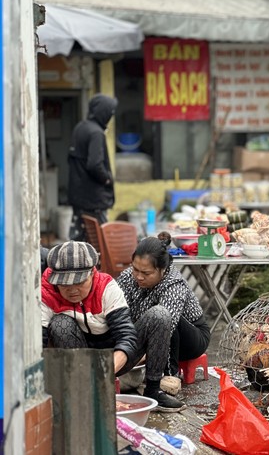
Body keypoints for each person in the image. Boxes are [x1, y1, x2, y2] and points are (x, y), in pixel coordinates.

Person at [116, 233, 210, 400]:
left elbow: (164, 330)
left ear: (162, 269)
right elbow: (115, 310)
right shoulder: (127, 277)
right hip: (148, 332)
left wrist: (129, 361)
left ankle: (167, 375)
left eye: (146, 273)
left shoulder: (173, 284)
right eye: (135, 269)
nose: (138, 276)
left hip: (190, 337)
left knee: (163, 316)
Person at [41, 241, 139, 384]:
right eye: (65, 284)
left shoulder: (107, 287)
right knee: (60, 323)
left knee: (158, 316)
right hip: (78, 353)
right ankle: (77, 383)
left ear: (92, 274)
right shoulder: (47, 292)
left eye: (80, 282)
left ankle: (155, 389)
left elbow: (126, 337)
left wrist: (105, 371)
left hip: (113, 354)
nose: (73, 290)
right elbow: (38, 341)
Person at [68, 94, 118, 242]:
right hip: (94, 199)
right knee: (101, 243)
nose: (111, 116)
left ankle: (80, 265)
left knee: (81, 242)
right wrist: (107, 179)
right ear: (103, 112)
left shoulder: (80, 128)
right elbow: (94, 164)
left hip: (79, 197)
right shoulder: (96, 133)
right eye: (110, 113)